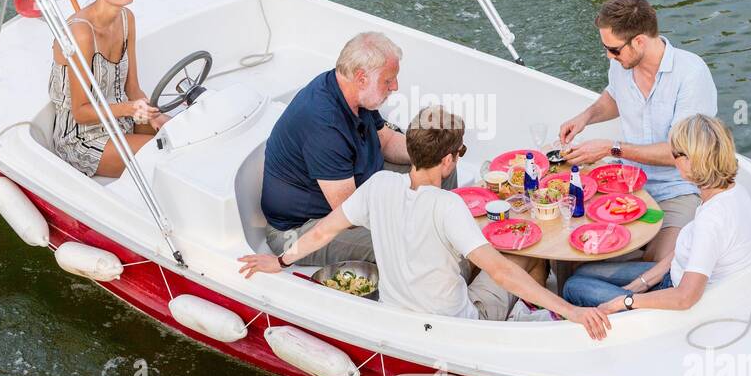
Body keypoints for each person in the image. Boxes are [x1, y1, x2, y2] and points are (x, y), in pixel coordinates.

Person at [241, 107, 611, 340]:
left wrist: (280, 261)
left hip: (400, 312)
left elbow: (323, 231)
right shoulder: (447, 206)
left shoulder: (378, 186)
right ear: (449, 161)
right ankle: (546, 317)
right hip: (457, 324)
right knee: (526, 255)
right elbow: (501, 273)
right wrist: (573, 312)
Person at [558, 0, 718, 263]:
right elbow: (615, 96)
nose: (609, 56)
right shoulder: (622, 66)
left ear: (640, 41)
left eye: (614, 49)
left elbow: (680, 153)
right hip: (626, 188)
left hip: (677, 191)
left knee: (663, 262)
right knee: (573, 242)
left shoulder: (691, 75)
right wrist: (586, 116)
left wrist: (612, 148)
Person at [561, 114, 751, 313]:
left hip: (676, 297)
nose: (673, 159)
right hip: (674, 276)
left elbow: (685, 298)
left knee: (573, 286)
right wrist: (642, 283)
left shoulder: (712, 219)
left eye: (675, 154)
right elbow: (689, 250)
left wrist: (627, 301)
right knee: (583, 272)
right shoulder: (733, 192)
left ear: (692, 161)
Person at [261, 32, 425, 267]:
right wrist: (414, 213)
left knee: (435, 162)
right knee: (407, 242)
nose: (395, 87)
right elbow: (351, 213)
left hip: (358, 184)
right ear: (361, 78)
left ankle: (446, 227)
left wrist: (431, 150)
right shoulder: (323, 124)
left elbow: (386, 142)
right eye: (388, 81)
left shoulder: (351, 92)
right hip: (304, 229)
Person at [48, 0, 167, 178]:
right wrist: (130, 109)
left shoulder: (126, 18)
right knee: (164, 156)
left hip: (119, 121)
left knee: (183, 134)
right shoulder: (81, 33)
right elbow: (80, 112)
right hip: (82, 137)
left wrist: (158, 116)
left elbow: (132, 87)